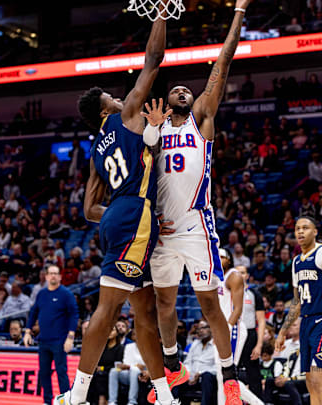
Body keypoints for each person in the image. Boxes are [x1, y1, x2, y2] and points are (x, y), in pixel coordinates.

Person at [67, 5, 179, 404]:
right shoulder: (128, 114)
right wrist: (161, 14)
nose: (118, 97)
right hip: (133, 216)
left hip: (118, 216)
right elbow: (153, 60)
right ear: (104, 109)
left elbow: (87, 209)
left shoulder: (96, 150)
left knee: (144, 312)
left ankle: (164, 395)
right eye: (110, 97)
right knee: (109, 307)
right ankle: (77, 395)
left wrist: (120, 213)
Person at [148, 2, 251, 403]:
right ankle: (173, 368)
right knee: (164, 302)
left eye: (188, 89)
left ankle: (229, 374)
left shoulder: (201, 118)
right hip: (161, 228)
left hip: (195, 225)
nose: (184, 90)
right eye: (177, 90)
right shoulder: (154, 127)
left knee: (210, 302)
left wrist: (239, 11)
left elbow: (222, 64)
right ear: (166, 101)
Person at [274, 217, 322, 405]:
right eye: (297, 228)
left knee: (319, 380)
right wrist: (282, 332)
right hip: (305, 322)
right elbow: (296, 301)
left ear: (315, 231)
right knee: (310, 382)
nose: (300, 232)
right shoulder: (296, 262)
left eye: (305, 228)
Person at [214, 249, 264, 404]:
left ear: (229, 260)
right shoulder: (216, 277)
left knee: (227, 374)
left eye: (223, 256)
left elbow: (238, 309)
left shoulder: (234, 276)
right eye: (217, 256)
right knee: (221, 375)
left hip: (233, 328)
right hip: (220, 329)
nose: (219, 259)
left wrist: (226, 330)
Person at [25, 265, 79, 404]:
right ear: (47, 276)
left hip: (60, 340)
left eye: (56, 273)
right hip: (44, 340)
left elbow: (74, 314)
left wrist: (70, 337)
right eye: (51, 273)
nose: (53, 276)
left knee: (61, 372)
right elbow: (33, 313)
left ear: (60, 277)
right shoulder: (41, 294)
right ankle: (47, 401)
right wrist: (27, 331)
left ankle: (65, 401)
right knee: (44, 373)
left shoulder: (66, 294)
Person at [180, 320, 218, 405]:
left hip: (206, 379)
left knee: (207, 377)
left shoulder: (216, 345)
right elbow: (187, 362)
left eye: (203, 328)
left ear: (211, 329)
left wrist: (200, 373)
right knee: (176, 379)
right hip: (191, 378)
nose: (200, 331)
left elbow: (217, 367)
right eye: (198, 329)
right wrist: (188, 375)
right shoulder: (194, 344)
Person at [108, 329, 145, 405]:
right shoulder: (128, 346)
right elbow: (126, 362)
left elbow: (143, 365)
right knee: (114, 371)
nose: (136, 336)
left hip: (142, 373)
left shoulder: (148, 347)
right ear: (132, 337)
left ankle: (132, 402)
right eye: (134, 334)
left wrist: (132, 366)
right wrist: (133, 365)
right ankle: (112, 401)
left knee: (135, 370)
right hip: (128, 372)